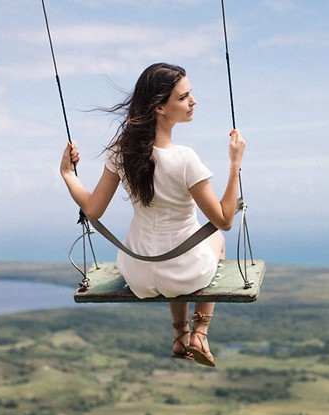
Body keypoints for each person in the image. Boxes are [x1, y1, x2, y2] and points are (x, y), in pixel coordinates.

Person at [58, 62, 246, 368]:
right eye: (184, 97)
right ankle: (200, 331)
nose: (193, 101)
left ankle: (179, 334)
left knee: (172, 256)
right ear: (160, 106)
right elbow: (224, 219)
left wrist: (68, 174)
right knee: (217, 241)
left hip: (138, 272)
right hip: (185, 271)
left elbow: (92, 211)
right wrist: (235, 163)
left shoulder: (122, 151)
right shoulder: (185, 159)